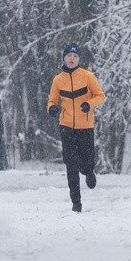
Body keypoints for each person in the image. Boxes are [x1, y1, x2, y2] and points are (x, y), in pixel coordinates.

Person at [47, 43, 106, 212]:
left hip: (85, 125)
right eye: (69, 56)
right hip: (66, 125)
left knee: (86, 159)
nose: (72, 59)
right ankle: (76, 202)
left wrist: (89, 103)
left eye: (75, 56)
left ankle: (88, 171)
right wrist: (52, 108)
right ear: (64, 59)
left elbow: (100, 95)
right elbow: (52, 100)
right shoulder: (58, 80)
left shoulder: (88, 76)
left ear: (79, 59)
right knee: (70, 163)